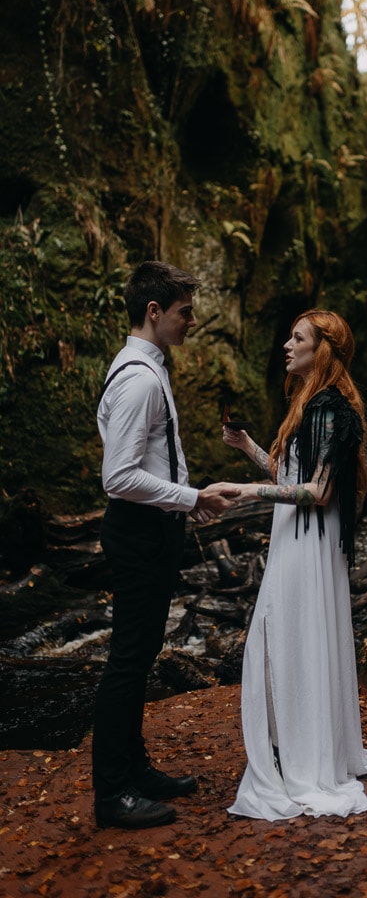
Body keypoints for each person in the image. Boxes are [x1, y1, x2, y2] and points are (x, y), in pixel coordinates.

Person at [93, 260, 240, 830]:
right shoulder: (137, 378)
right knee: (128, 661)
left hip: (148, 528)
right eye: (184, 311)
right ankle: (112, 795)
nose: (192, 321)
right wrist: (190, 497)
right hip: (136, 532)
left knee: (141, 651)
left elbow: (135, 461)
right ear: (153, 312)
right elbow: (118, 476)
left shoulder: (142, 368)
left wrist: (181, 504)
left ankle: (135, 769)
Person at [224, 309, 367, 820]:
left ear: (323, 351)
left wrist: (249, 491)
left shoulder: (330, 410)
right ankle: (305, 744)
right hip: (299, 541)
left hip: (305, 542)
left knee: (280, 640)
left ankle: (303, 753)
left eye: (297, 339)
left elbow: (316, 492)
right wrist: (249, 447)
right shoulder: (313, 405)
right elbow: (291, 473)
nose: (286, 346)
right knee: (296, 637)